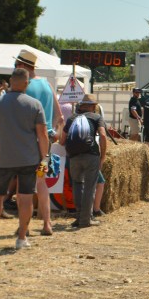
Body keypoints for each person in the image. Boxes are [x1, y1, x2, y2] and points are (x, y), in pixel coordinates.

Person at [0, 68, 49, 249]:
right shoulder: (35, 104)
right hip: (29, 159)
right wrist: (44, 159)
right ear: (26, 83)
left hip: (4, 159)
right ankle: (22, 238)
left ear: (10, 81)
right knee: (25, 199)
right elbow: (42, 135)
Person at [15, 49, 64, 236]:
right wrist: (54, 133)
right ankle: (47, 223)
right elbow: (60, 116)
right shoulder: (47, 84)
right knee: (41, 181)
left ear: (21, 66)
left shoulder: (24, 86)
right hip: (46, 142)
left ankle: (24, 225)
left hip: (27, 142)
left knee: (23, 184)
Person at [61, 94, 107, 228]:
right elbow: (103, 135)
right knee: (89, 187)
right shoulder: (96, 117)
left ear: (81, 106)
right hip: (91, 155)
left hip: (74, 156)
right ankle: (86, 219)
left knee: (77, 185)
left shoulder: (71, 119)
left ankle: (79, 216)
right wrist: (102, 156)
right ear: (93, 106)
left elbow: (62, 140)